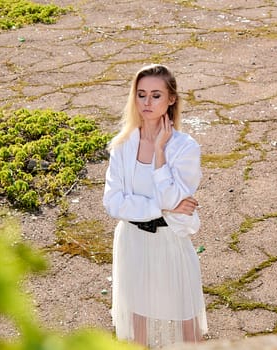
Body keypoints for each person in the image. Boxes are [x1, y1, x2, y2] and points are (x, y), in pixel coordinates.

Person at [103, 64, 207, 348]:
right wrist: (160, 208)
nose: (147, 103)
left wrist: (160, 153)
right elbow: (113, 203)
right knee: (138, 322)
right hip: (133, 241)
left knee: (187, 320)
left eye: (156, 95)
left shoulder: (185, 148)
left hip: (170, 241)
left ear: (171, 99)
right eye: (141, 94)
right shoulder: (122, 144)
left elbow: (174, 200)